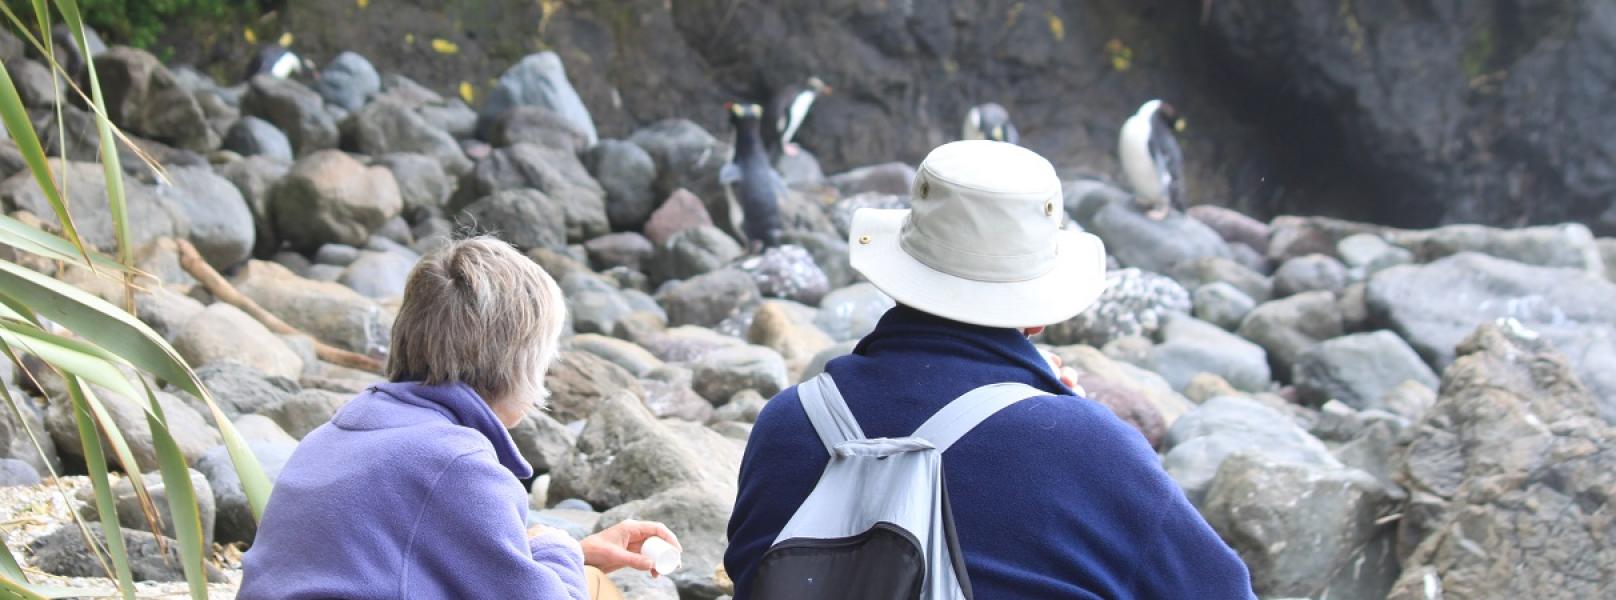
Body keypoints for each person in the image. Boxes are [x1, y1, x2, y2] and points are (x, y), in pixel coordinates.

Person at [725, 141, 1255, 598]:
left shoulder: (786, 423)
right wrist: (1066, 420)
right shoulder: (1092, 448)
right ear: (1039, 315)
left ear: (896, 278)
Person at [239, 237, 679, 600]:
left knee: (584, 574)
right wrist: (557, 546)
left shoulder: (338, 431)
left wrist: (573, 553)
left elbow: (418, 561)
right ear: (519, 366)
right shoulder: (454, 462)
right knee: (598, 591)